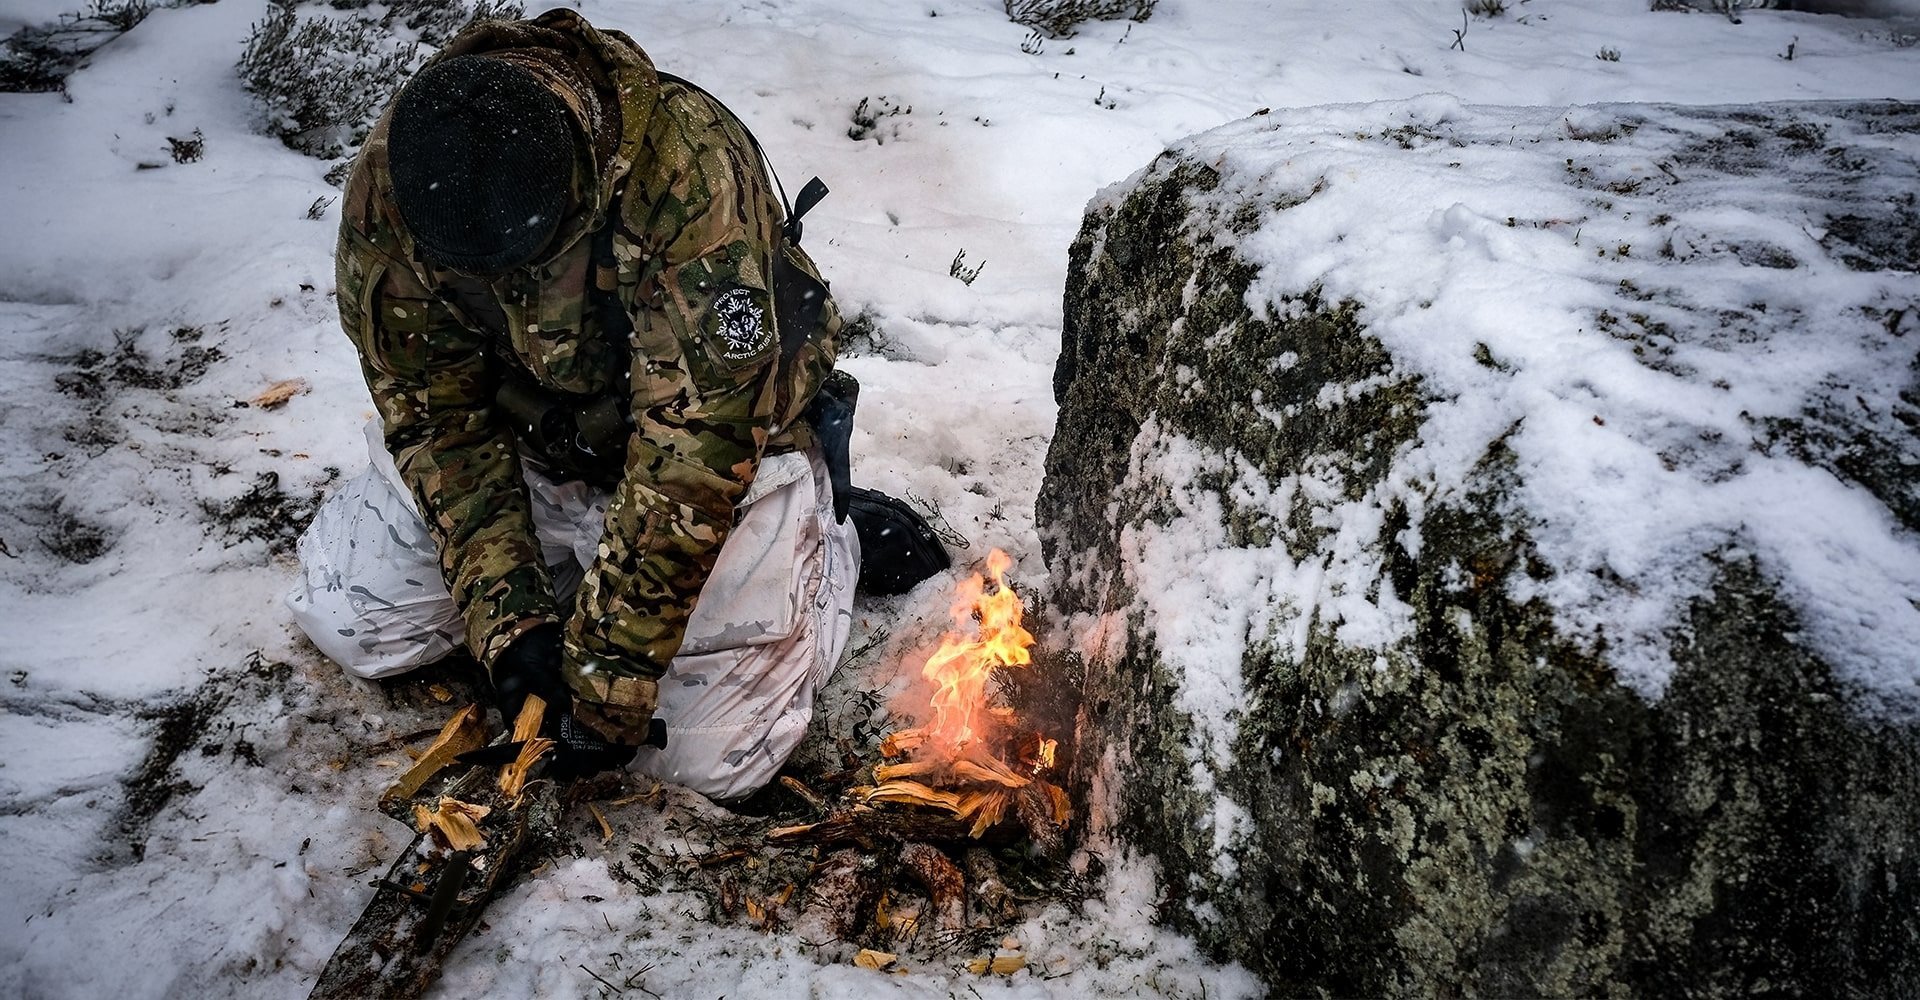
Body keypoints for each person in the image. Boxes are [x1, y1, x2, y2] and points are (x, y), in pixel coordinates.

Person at [285, 9, 924, 799]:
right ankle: (569, 574)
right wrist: (509, 622)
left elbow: (694, 452)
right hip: (537, 438)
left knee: (705, 760)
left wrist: (606, 671)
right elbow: (435, 416)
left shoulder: (687, 180)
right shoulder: (407, 180)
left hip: (715, 444)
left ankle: (831, 543)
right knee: (353, 624)